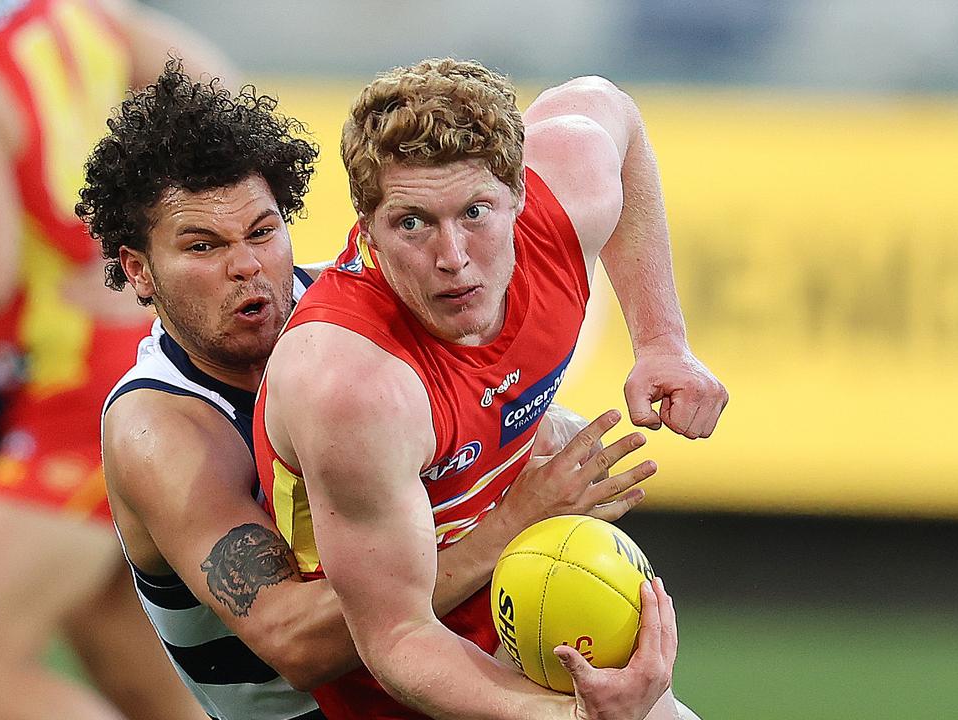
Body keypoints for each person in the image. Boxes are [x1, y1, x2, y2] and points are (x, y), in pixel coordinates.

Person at [84, 63, 650, 720]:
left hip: (449, 662)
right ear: (138, 270)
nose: (245, 265)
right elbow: (296, 642)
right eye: (202, 245)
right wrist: (507, 522)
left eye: (262, 232)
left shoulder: (352, 324)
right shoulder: (161, 428)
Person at [256, 58, 728, 719]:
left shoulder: (569, 190)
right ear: (366, 226)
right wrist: (574, 718)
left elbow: (610, 109)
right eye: (412, 223)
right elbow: (396, 637)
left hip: (532, 610)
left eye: (475, 212)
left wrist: (661, 342)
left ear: (521, 196)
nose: (453, 257)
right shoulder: (353, 383)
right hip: (414, 686)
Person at [0, 1, 232, 718]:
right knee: (128, 661)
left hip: (77, 396)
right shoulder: (75, 14)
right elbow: (211, 87)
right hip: (119, 371)